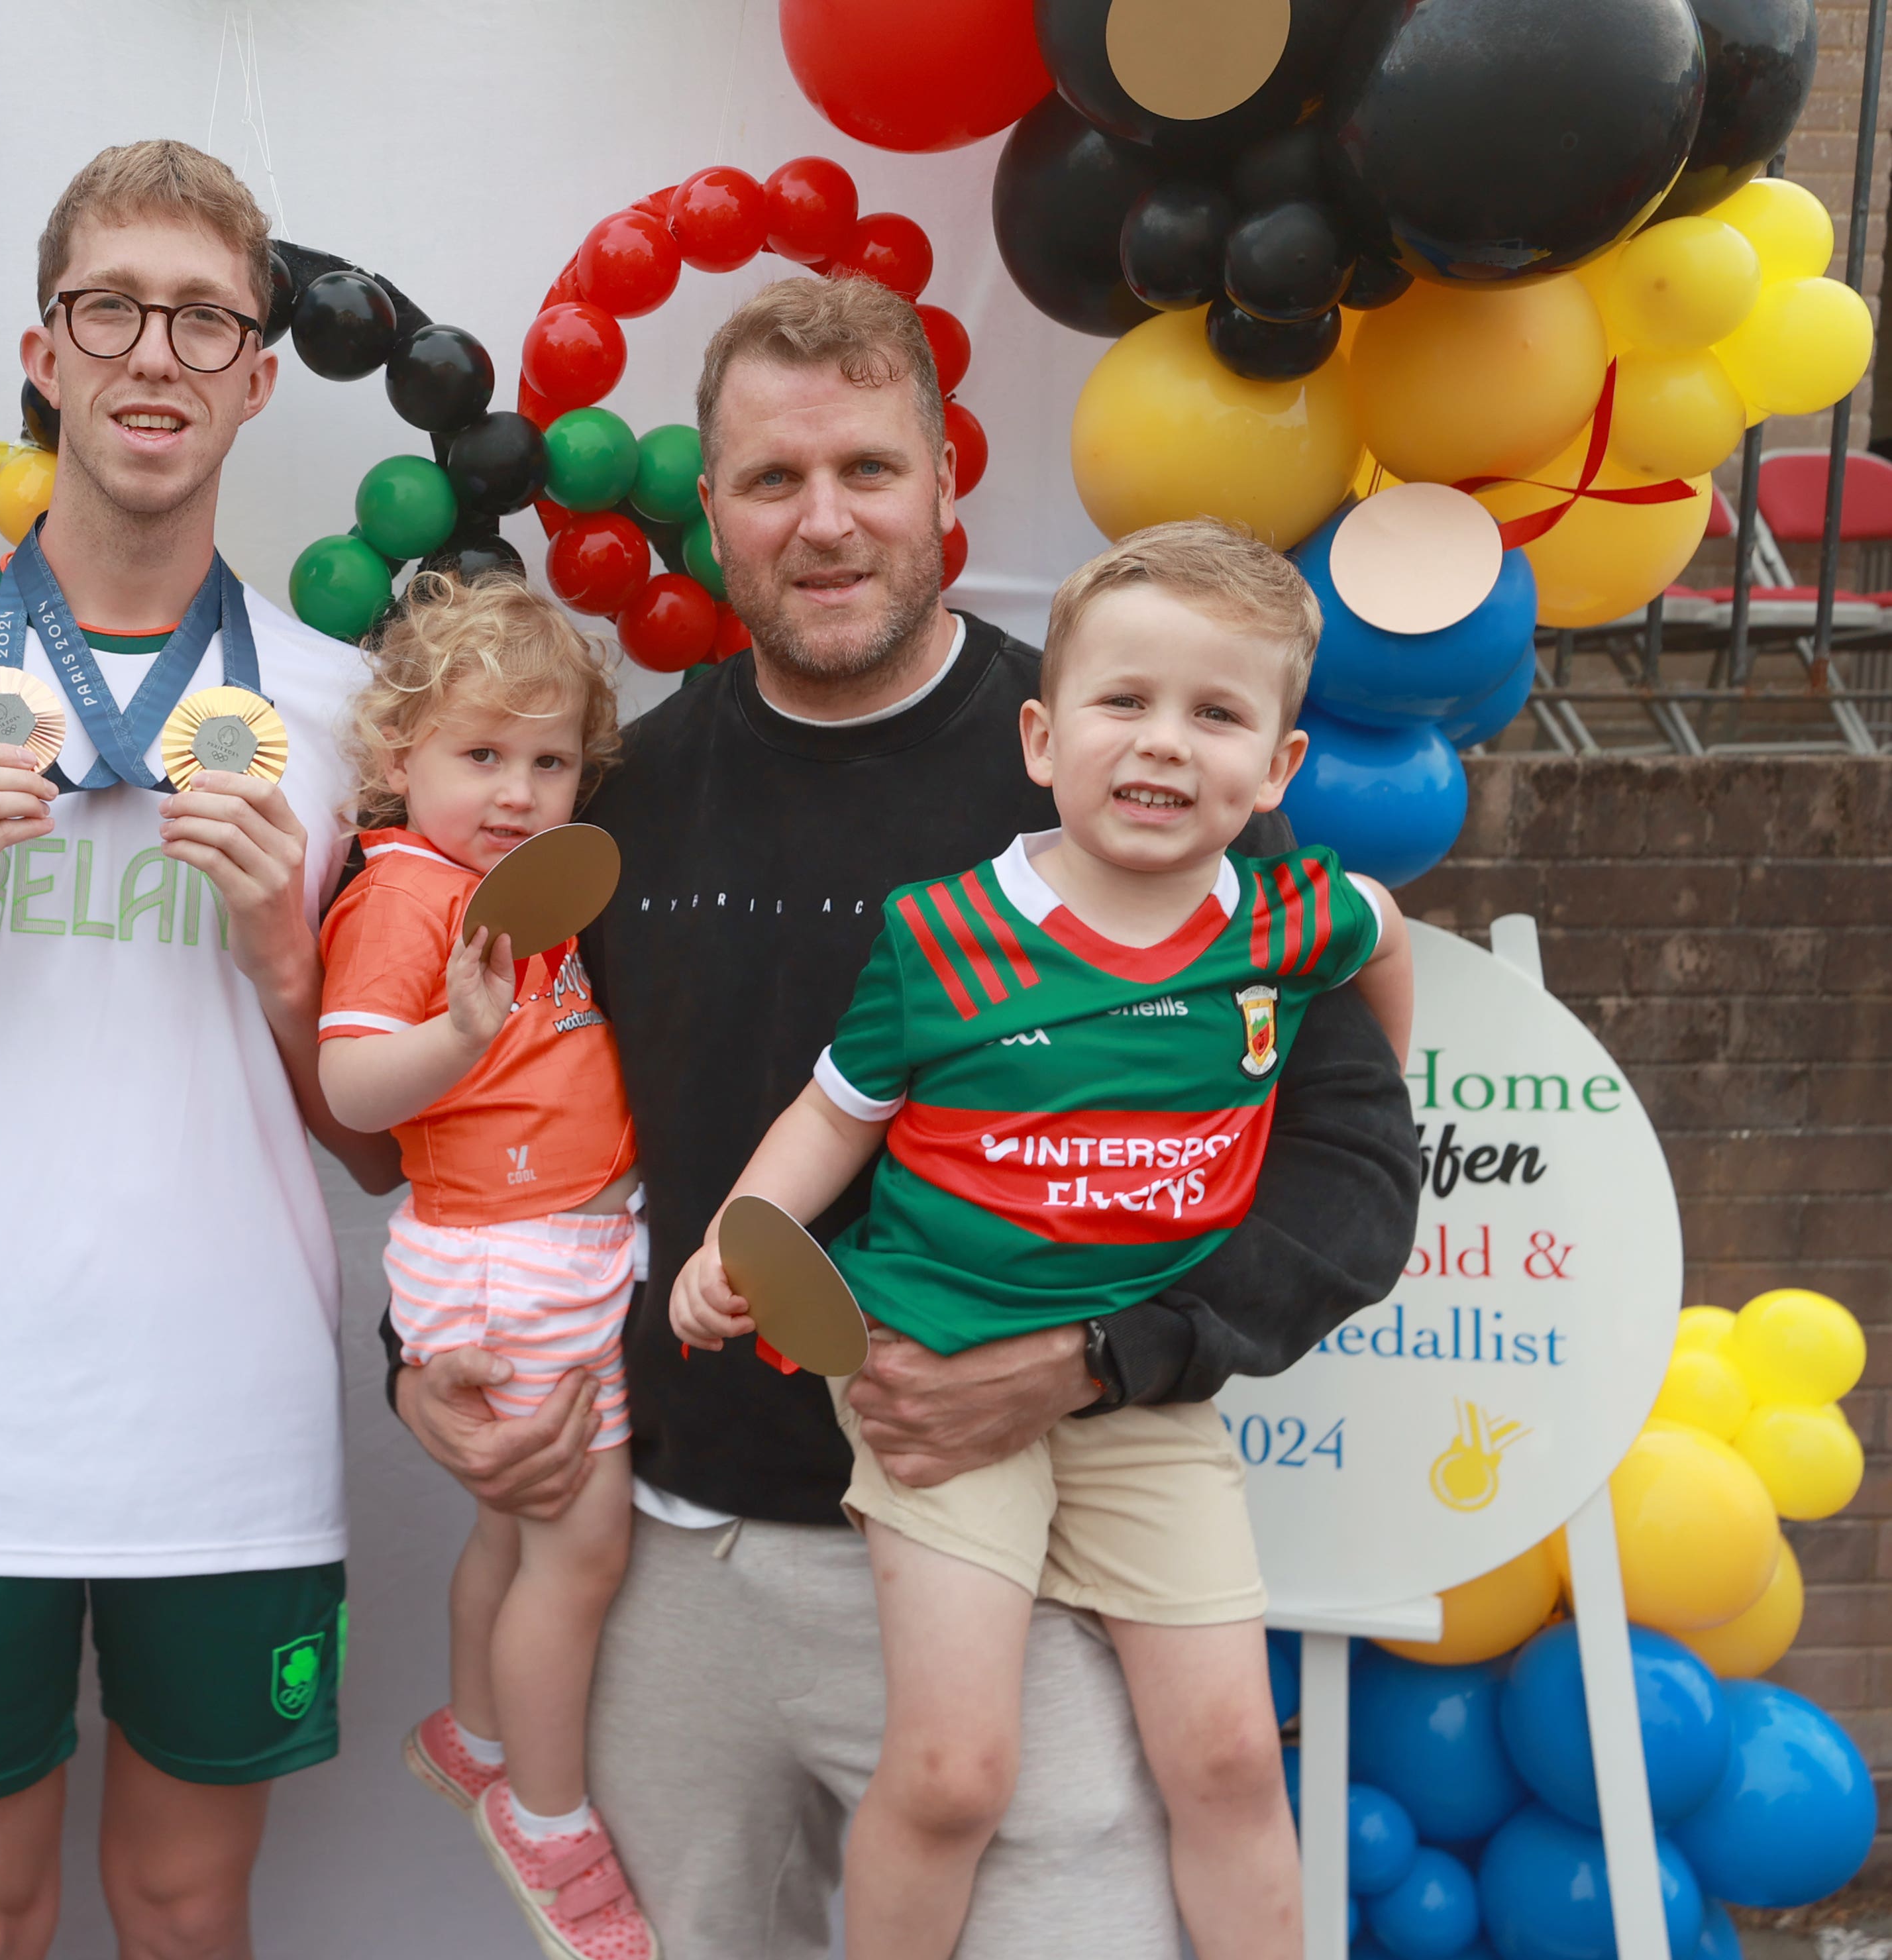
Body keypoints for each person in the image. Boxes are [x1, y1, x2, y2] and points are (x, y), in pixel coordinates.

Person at [389, 275, 1422, 1958]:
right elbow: (489, 1120)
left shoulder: (1121, 755)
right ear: (707, 509)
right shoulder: (619, 803)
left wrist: (1104, 1359)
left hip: (1036, 1561)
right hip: (680, 1562)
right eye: (770, 480)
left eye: (868, 469)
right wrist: (422, 1357)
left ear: (945, 481)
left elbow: (1357, 1175)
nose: (823, 522)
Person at [0, 140, 397, 1960]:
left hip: (228, 1425)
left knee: (187, 1909)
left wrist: (285, 963)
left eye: (205, 319)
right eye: (111, 306)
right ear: (42, 351)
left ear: (259, 376)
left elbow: (376, 1146)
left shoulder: (346, 704)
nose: (155, 354)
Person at [670, 521, 1414, 1959]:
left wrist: (1380, 1055)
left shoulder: (1290, 918)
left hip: (1144, 1397)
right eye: (1122, 701)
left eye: (1215, 714)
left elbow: (1381, 940)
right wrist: (733, 1245)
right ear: (1040, 733)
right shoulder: (938, 934)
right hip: (928, 1372)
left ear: (1276, 769)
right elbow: (834, 1117)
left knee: (1229, 1763)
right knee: (955, 1775)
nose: (1161, 744)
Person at [315, 573, 652, 1959]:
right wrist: (451, 1043)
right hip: (509, 1260)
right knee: (582, 1546)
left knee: (511, 1531)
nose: (516, 790)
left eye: (548, 760)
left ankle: (471, 1731)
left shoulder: (507, 887)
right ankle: (547, 1814)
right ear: (400, 759)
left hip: (535, 1248)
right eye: (479, 754)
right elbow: (348, 1086)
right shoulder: (406, 895)